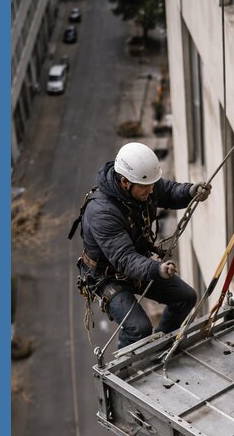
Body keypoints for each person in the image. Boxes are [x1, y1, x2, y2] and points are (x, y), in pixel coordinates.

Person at [76, 141, 211, 348]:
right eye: (146, 186)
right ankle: (126, 369)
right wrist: (156, 269)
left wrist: (190, 192)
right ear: (124, 182)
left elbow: (167, 191)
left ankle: (161, 346)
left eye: (152, 185)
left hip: (136, 264)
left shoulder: (143, 184)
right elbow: (124, 259)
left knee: (186, 297)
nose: (151, 190)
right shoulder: (102, 213)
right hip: (107, 277)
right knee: (139, 329)